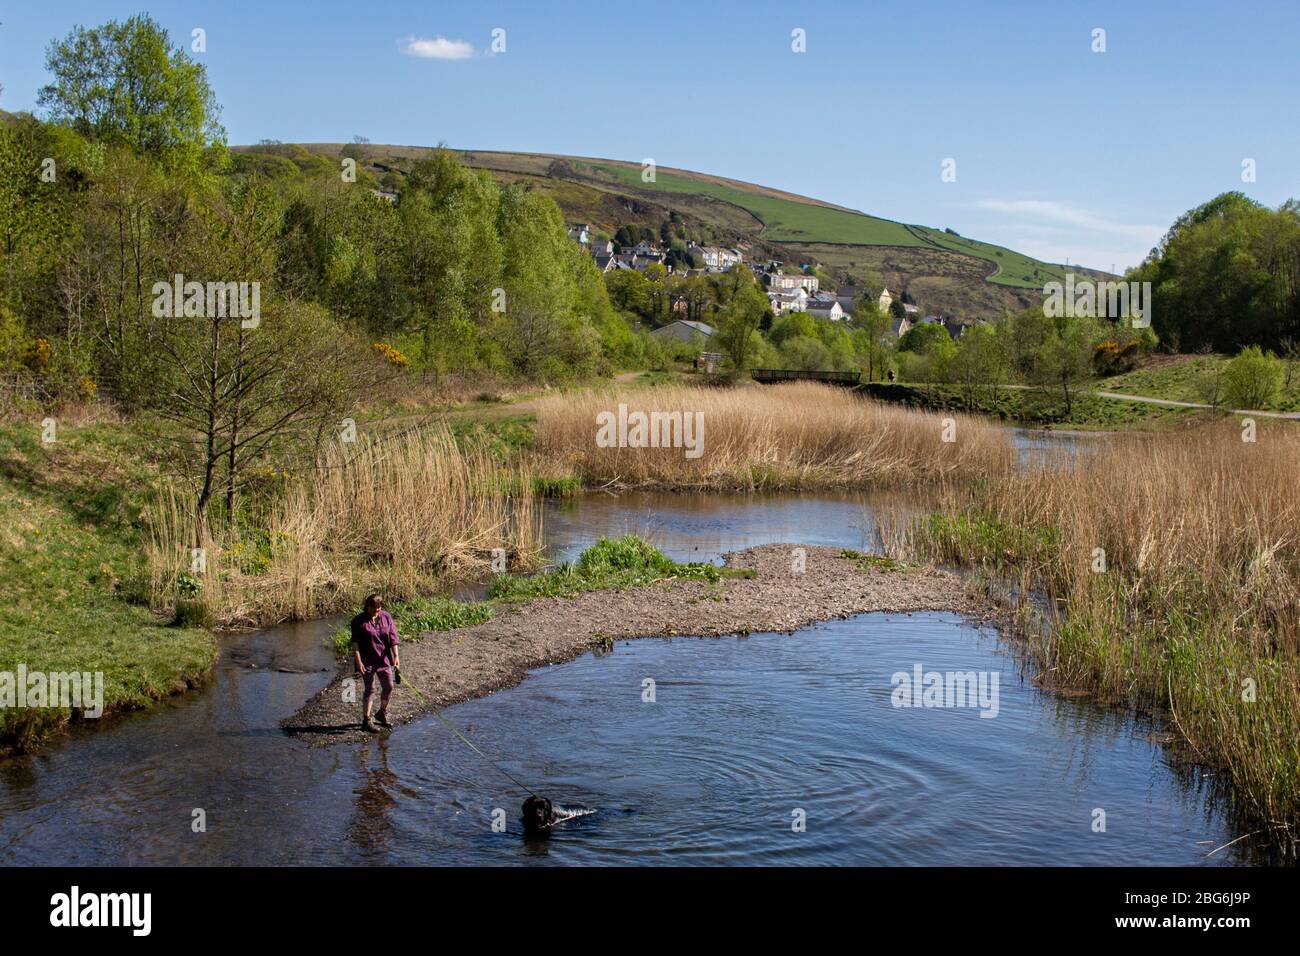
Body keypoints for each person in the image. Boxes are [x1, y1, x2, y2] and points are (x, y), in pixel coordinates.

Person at [350, 594, 401, 732]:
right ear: (368, 607)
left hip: (383, 660)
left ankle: (381, 713)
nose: (377, 610)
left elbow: (393, 638)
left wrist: (396, 656)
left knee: (389, 686)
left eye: (379, 607)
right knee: (370, 689)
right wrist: (358, 661)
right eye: (375, 608)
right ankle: (366, 721)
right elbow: (355, 643)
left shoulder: (386, 617)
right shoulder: (358, 621)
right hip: (366, 661)